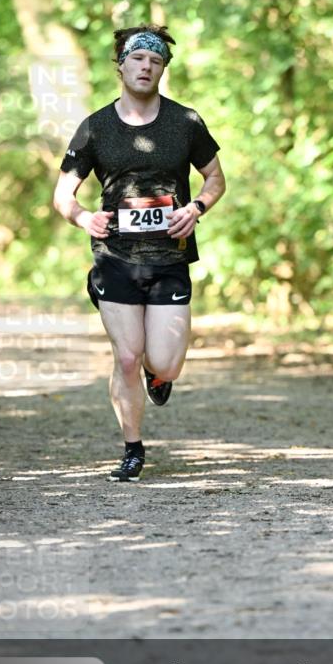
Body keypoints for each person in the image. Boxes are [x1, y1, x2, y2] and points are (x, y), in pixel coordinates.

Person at [53, 25, 226, 482]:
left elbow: (215, 179)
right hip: (114, 257)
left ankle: (159, 376)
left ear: (162, 68)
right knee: (127, 357)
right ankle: (132, 448)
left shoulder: (185, 122)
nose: (145, 66)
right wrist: (83, 218)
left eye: (155, 61)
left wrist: (196, 207)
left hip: (170, 259)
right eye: (137, 59)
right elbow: (63, 194)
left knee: (164, 362)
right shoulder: (96, 127)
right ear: (122, 65)